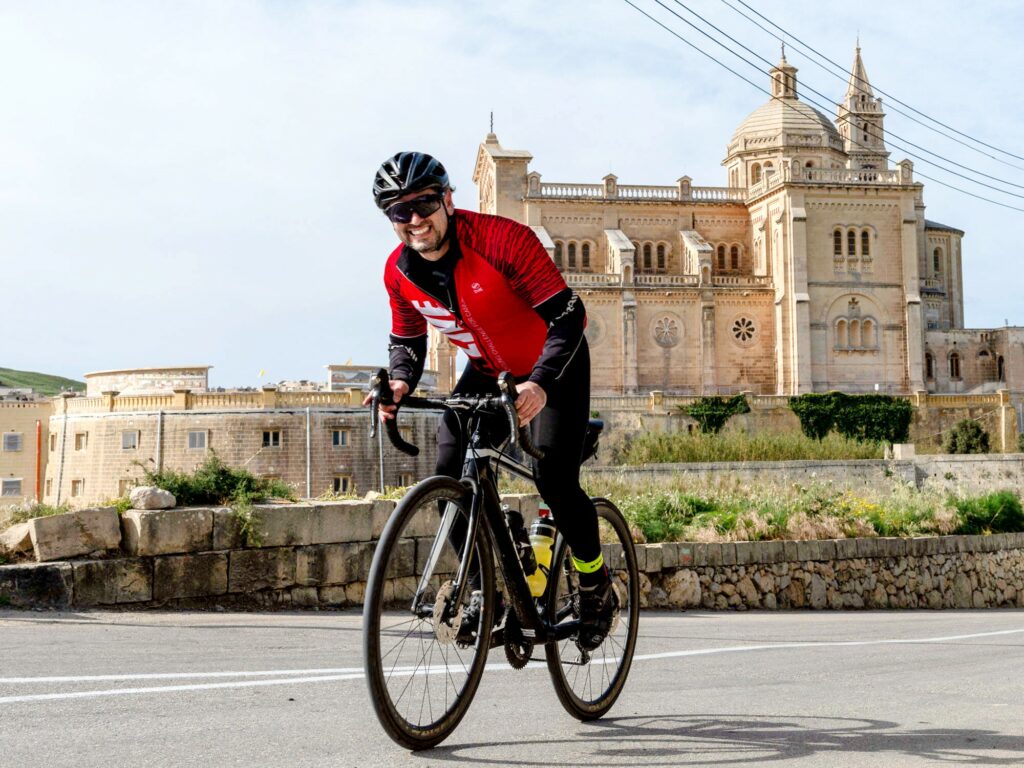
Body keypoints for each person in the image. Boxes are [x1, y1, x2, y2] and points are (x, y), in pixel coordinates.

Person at [368, 150, 614, 649]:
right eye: (399, 210)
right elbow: (408, 340)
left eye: (423, 204)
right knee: (448, 472)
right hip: (489, 373)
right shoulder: (399, 272)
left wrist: (541, 383)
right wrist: (398, 381)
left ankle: (593, 583)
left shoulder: (503, 240)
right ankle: (484, 591)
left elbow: (568, 316)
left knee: (554, 479)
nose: (414, 219)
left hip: (555, 368)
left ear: (447, 199)